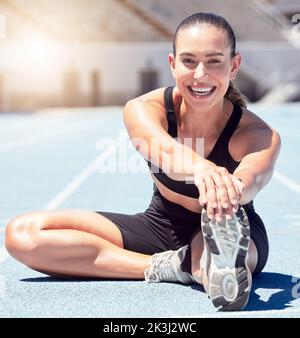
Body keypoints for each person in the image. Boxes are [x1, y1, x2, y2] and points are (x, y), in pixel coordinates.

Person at [5, 12, 281, 312]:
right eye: (188, 61)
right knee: (24, 235)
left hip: (231, 229)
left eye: (214, 61)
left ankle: (212, 264)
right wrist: (203, 169)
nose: (200, 74)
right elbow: (161, 149)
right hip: (159, 225)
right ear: (173, 65)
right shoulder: (144, 109)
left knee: (215, 246)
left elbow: (252, 178)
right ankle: (175, 265)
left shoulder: (258, 134)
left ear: (234, 65)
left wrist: (231, 191)